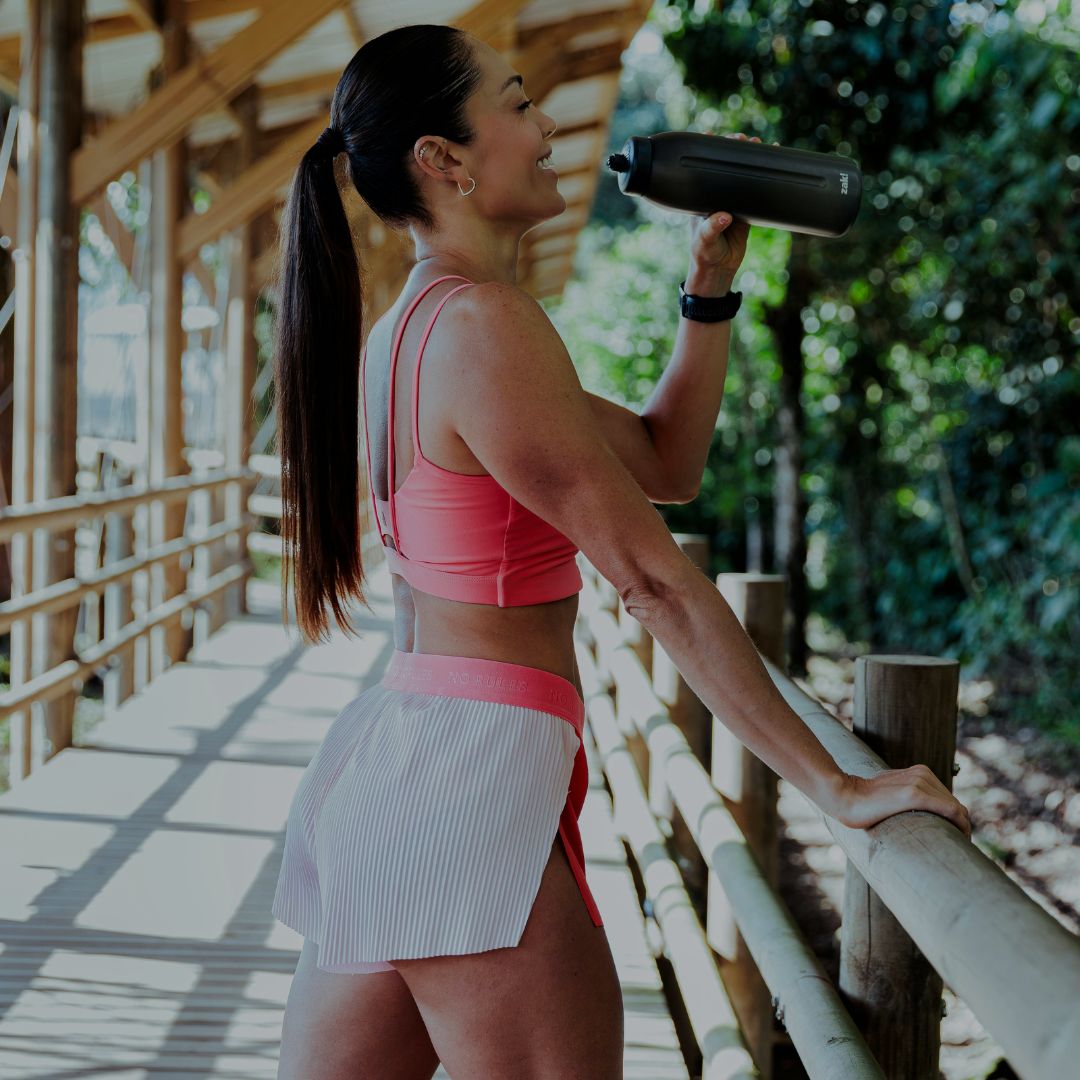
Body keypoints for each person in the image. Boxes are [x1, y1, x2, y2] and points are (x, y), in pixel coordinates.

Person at [269, 22, 971, 1080]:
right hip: (470, 789)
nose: (545, 125)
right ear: (443, 159)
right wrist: (834, 786)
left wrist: (708, 293)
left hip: (402, 769)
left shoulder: (415, 328)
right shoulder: (488, 327)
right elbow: (650, 578)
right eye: (514, 103)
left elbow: (662, 458)